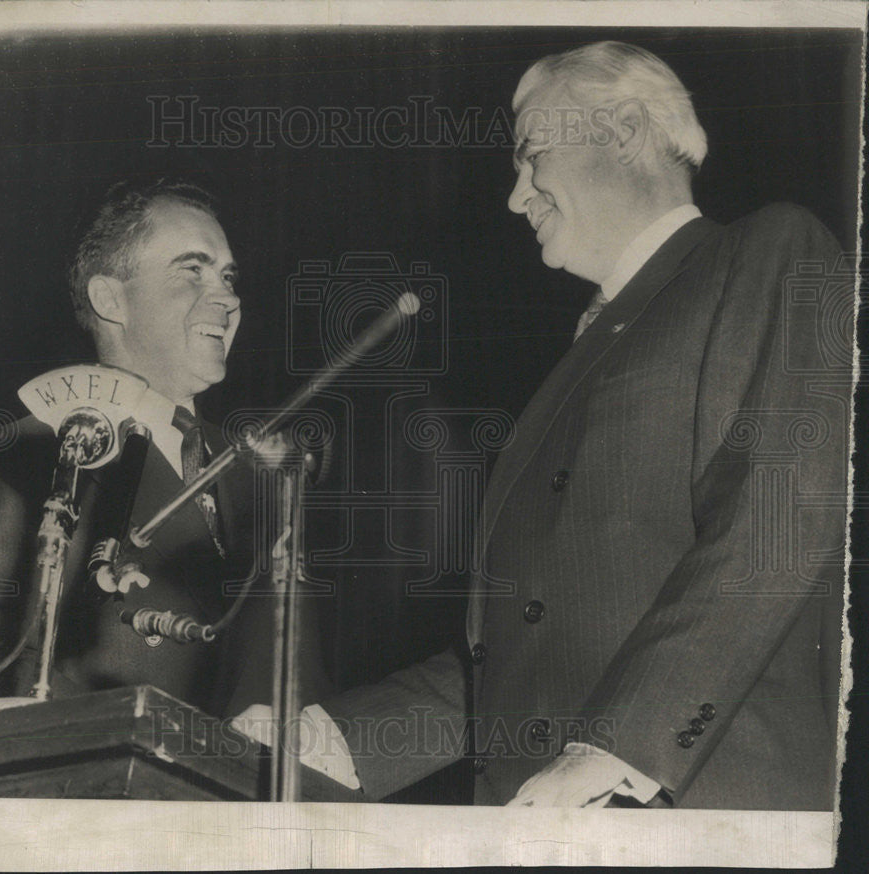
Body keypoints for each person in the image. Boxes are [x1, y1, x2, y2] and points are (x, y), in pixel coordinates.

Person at [241, 41, 852, 809]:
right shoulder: (576, 357)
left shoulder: (766, 249)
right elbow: (519, 650)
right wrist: (339, 736)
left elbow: (780, 518)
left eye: (533, 153)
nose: (515, 195)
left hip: (694, 806)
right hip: (552, 813)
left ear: (624, 130)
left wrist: (617, 748)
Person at [0, 178, 332, 719]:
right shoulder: (25, 450)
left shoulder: (266, 475)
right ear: (110, 299)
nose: (228, 297)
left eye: (227, 275)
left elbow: (298, 686)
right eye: (191, 270)